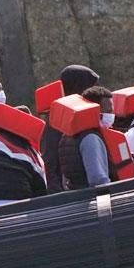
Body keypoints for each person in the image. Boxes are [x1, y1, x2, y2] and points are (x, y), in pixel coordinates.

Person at [54, 87, 134, 190]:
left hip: (77, 199)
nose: (112, 115)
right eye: (109, 111)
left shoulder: (67, 136)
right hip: (95, 201)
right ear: (95, 111)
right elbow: (98, 180)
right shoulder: (91, 139)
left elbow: (66, 179)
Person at [40, 65, 100, 193]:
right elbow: (50, 161)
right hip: (69, 195)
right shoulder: (57, 118)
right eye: (90, 86)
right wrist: (58, 196)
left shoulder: (83, 115)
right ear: (78, 87)